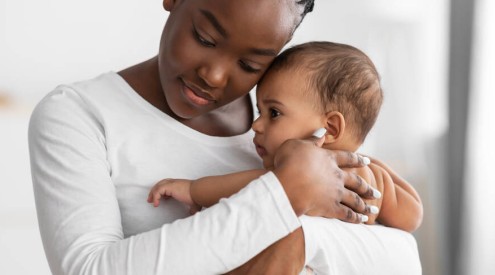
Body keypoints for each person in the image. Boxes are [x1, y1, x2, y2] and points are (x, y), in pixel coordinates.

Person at [28, 0, 421, 274]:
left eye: (251, 64)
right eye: (204, 37)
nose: (214, 76)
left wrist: (301, 239)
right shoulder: (78, 114)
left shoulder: (293, 124)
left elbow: (404, 259)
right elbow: (89, 270)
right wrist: (283, 196)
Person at [148, 41, 423, 237]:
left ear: (329, 129)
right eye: (259, 111)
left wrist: (194, 190)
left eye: (274, 113)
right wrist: (382, 177)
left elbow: (257, 187)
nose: (257, 125)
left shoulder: (313, 169)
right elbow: (411, 216)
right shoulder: (370, 175)